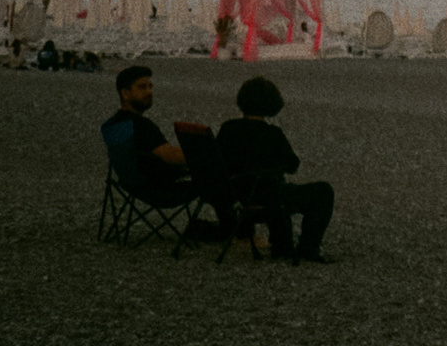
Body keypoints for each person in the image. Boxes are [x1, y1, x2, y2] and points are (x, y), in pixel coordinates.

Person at [216, 75, 336, 264]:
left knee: (275, 184)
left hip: (235, 194)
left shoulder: (228, 128)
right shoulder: (272, 134)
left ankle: (283, 243)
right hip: (266, 197)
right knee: (323, 192)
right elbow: (293, 165)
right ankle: (308, 248)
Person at [103, 65, 193, 203]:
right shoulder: (141, 125)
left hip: (130, 185)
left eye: (150, 87)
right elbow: (170, 156)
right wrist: (201, 155)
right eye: (142, 87)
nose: (149, 91)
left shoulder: (113, 123)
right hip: (159, 190)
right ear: (125, 94)